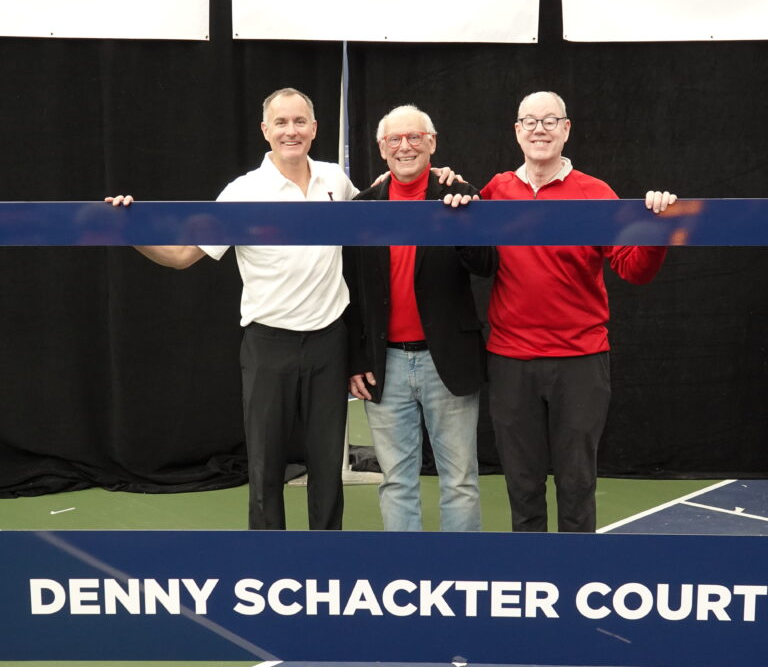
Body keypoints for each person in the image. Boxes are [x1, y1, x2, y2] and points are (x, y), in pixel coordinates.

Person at [107, 88, 459, 532]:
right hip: (267, 345)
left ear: (314, 129)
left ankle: (324, 560)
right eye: (281, 123)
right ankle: (267, 561)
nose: (290, 131)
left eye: (299, 122)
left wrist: (437, 174)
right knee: (266, 467)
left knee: (328, 466)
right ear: (265, 131)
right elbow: (180, 256)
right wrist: (125, 228)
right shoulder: (242, 193)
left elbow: (388, 194)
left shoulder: (335, 180)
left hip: (329, 343)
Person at [479, 90, 677, 533]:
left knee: (577, 482)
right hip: (512, 361)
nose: (539, 130)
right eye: (529, 121)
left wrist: (656, 230)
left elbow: (632, 269)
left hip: (580, 362)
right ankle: (533, 581)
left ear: (566, 130)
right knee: (523, 484)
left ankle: (576, 579)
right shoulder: (496, 191)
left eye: (550, 121)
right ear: (517, 132)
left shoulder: (596, 193)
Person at [344, 105, 497, 531]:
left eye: (415, 137)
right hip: (384, 364)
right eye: (395, 139)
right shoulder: (364, 205)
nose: (405, 146)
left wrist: (464, 215)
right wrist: (356, 358)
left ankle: (459, 575)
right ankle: (405, 576)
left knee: (461, 481)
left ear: (432, 143)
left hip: (446, 358)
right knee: (396, 481)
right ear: (382, 148)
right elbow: (351, 288)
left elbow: (486, 263)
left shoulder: (460, 193)